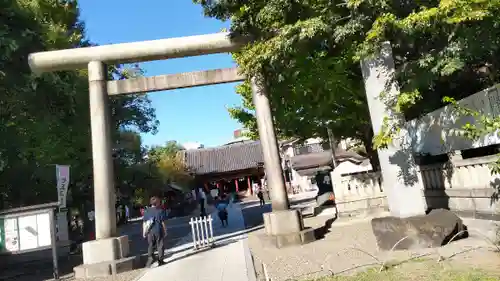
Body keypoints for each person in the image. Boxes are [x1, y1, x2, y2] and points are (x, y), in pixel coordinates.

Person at [143, 194, 167, 267]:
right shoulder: (160, 211)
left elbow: (144, 222)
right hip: (158, 230)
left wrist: (144, 232)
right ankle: (160, 260)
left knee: (150, 245)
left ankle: (150, 258)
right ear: (157, 203)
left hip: (150, 231)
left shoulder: (146, 211)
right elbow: (162, 222)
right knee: (160, 245)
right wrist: (165, 231)